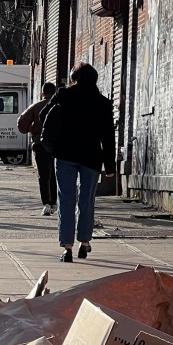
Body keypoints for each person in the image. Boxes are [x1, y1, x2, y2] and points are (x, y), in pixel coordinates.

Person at [39, 62, 115, 263]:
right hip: (91, 158)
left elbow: (42, 115)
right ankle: (85, 242)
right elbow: (108, 136)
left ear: (74, 76)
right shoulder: (102, 103)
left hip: (64, 154)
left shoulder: (63, 95)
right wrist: (110, 166)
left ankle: (67, 247)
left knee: (66, 200)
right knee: (86, 201)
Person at [17, 81, 57, 216]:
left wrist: (31, 129)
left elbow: (21, 123)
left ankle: (47, 203)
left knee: (44, 175)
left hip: (40, 144)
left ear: (42, 93)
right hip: (58, 145)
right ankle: (55, 203)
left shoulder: (36, 106)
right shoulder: (60, 105)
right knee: (56, 174)